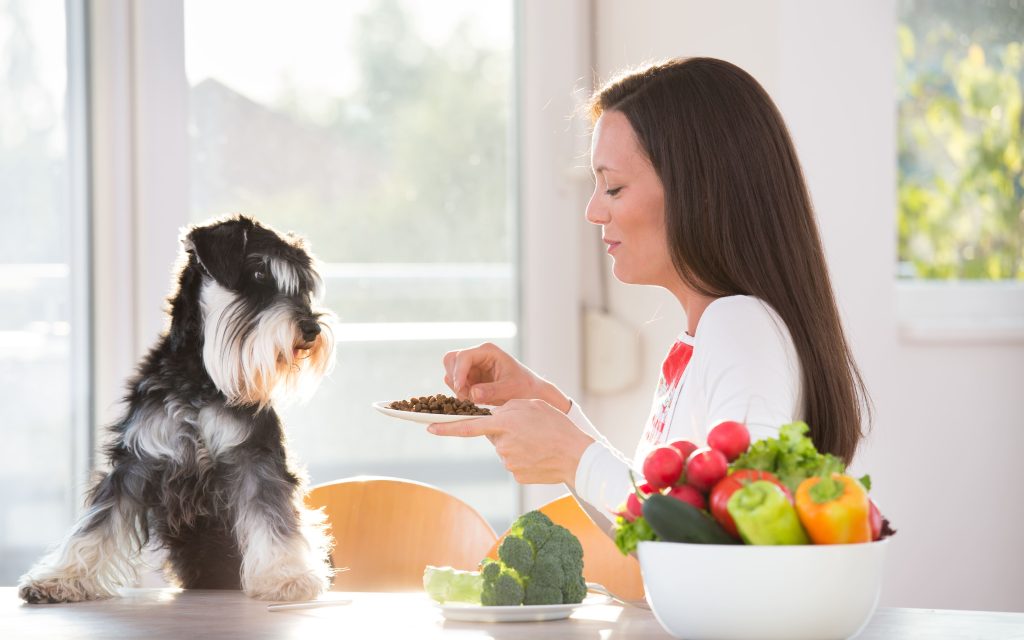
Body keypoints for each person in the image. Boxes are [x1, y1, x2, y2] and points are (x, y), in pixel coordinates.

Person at [427, 57, 871, 523]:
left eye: (613, 187)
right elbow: (651, 534)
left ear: (697, 191)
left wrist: (574, 455)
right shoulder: (711, 333)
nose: (593, 211)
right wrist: (551, 408)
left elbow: (737, 537)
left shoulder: (740, 329)